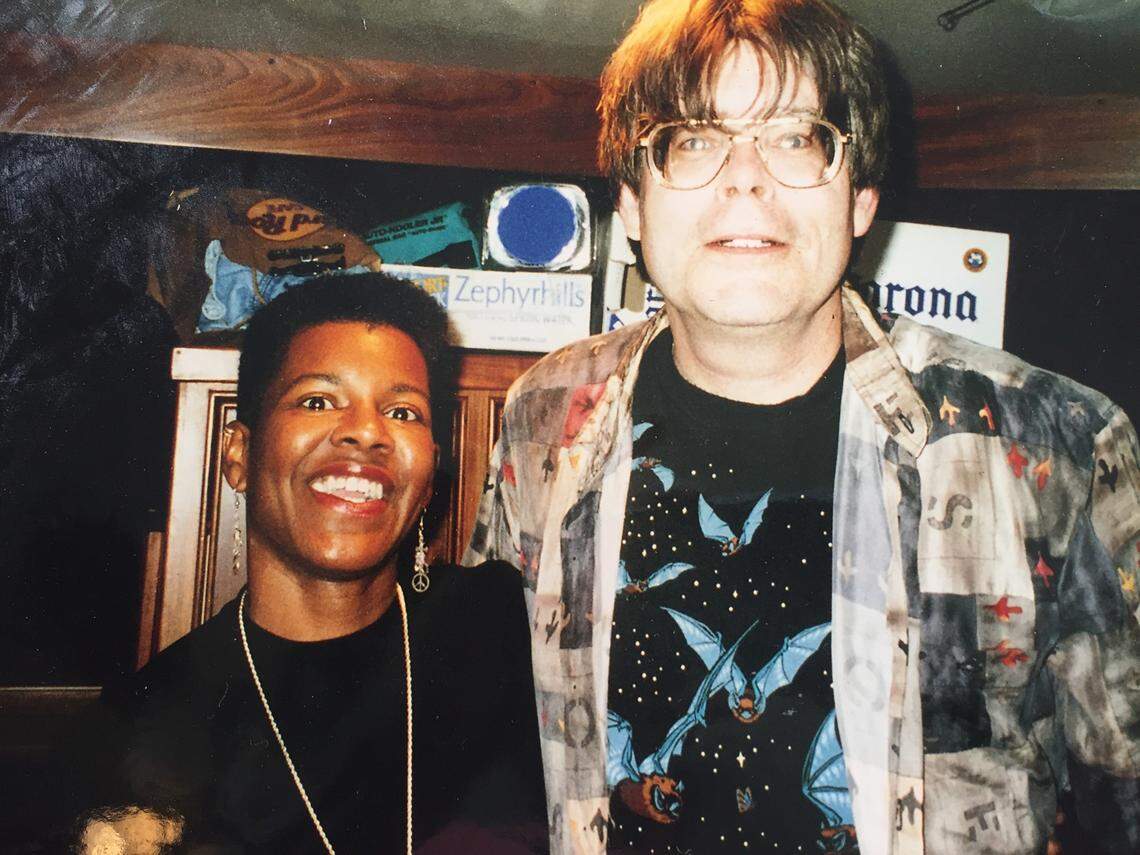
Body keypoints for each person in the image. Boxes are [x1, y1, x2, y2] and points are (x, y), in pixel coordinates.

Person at [464, 1, 1140, 853]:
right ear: (631, 203)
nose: (745, 179)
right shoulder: (542, 419)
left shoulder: (1055, 441)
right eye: (694, 140)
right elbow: (495, 763)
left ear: (860, 198)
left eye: (797, 138)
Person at [74, 273, 547, 853]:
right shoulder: (142, 732)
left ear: (428, 480)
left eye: (403, 412)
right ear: (239, 454)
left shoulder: (505, 622)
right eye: (318, 401)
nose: (367, 433)